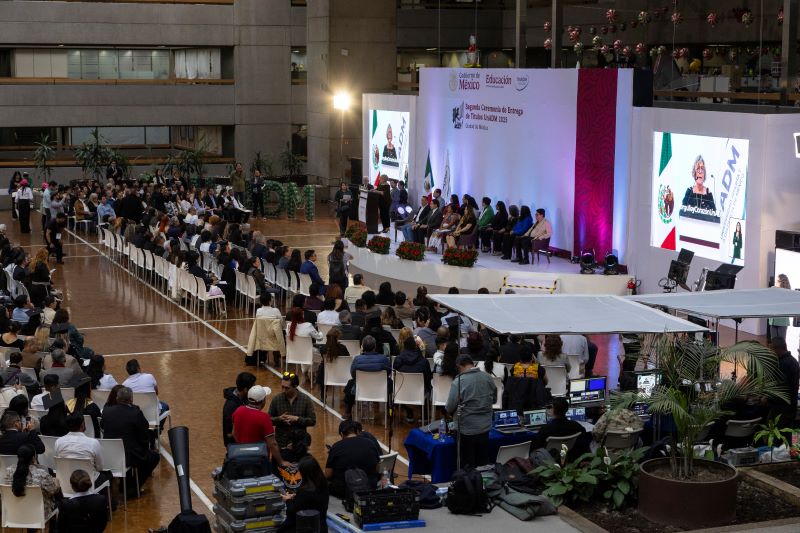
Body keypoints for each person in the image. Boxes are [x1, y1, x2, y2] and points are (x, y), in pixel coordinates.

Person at [101, 386, 160, 490]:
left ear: (117, 398)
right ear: (131, 399)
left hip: (110, 455)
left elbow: (102, 426)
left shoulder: (106, 411)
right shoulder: (135, 413)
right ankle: (132, 488)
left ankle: (125, 484)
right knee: (154, 457)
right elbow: (144, 430)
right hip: (130, 455)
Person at [445, 354, 496, 468]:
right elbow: (494, 399)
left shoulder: (459, 381)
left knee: (467, 467)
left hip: (466, 430)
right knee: (482, 464)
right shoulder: (488, 377)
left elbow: (449, 407)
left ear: (459, 366)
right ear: (472, 363)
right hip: (485, 428)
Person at [231, 384, 287, 466]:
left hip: (240, 457)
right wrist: (281, 462)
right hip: (259, 461)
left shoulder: (238, 410)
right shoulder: (264, 418)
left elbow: (234, 433)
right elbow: (272, 444)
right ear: (263, 400)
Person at [268, 372, 317, 461]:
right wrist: (279, 419)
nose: (283, 390)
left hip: (299, 445)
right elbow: (268, 420)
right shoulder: (276, 399)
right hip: (281, 445)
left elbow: (312, 421)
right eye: (282, 387)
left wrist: (297, 419)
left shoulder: (305, 400)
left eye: (287, 388)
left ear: (295, 386)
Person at [325, 419, 380, 498]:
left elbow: (328, 474)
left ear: (341, 434)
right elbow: (377, 468)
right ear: (357, 431)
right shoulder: (370, 443)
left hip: (343, 491)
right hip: (369, 488)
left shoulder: (336, 446)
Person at [5, 444, 60, 517]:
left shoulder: (8, 472)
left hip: (15, 513)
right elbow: (54, 490)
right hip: (38, 515)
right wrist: (56, 481)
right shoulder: (41, 474)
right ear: (33, 458)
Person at [343, 336, 391, 418]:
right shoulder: (384, 359)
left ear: (362, 347)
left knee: (351, 383)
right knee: (390, 382)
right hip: (381, 389)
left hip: (362, 388)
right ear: (375, 346)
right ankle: (389, 410)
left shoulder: (357, 359)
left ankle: (348, 411)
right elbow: (388, 372)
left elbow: (353, 374)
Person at [279, 456, 329, 533]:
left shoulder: (305, 492)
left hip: (304, 527)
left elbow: (292, 511)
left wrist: (287, 500)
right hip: (321, 526)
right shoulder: (324, 484)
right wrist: (296, 497)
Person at [393, 335, 433, 422]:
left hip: (401, 394)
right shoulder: (424, 362)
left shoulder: (398, 360)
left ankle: (409, 412)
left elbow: (395, 376)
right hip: (420, 394)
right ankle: (424, 415)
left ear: (404, 346)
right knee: (428, 386)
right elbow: (429, 378)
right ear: (415, 346)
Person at [770, 337, 799, 427]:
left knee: (778, 433)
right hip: (791, 406)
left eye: (772, 350)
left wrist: (767, 398)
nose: (771, 353)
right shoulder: (794, 361)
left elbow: (781, 388)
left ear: (778, 348)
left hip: (781, 409)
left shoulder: (783, 364)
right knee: (787, 432)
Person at [222, 371, 257, 447]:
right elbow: (229, 434)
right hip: (236, 446)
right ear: (245, 389)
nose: (254, 390)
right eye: (253, 387)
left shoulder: (245, 398)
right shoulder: (231, 406)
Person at [769, 274, 792, 340]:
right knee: (774, 341)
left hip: (782, 321)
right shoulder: (774, 290)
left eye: (777, 280)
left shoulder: (788, 293)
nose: (775, 282)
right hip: (773, 320)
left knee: (781, 341)